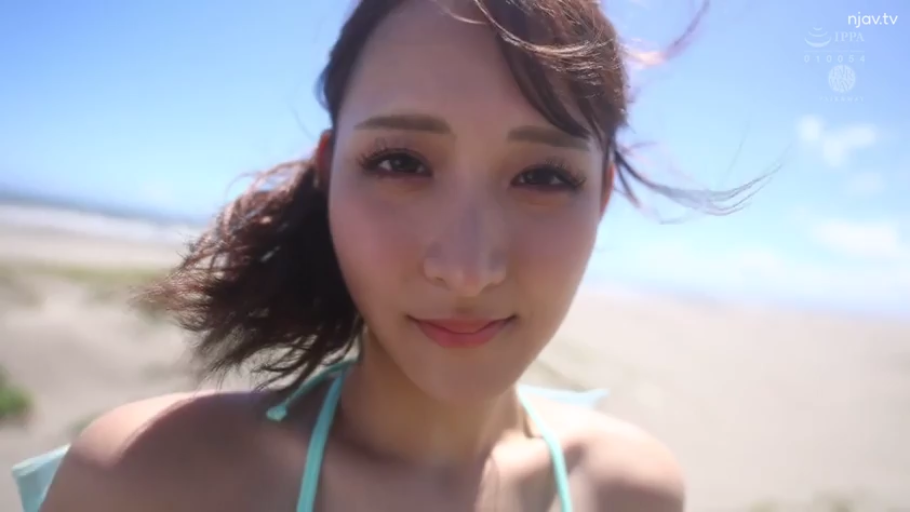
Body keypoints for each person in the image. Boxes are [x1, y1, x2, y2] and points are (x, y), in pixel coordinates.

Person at [14, 0, 755, 510]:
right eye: (401, 163)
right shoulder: (148, 482)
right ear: (329, 175)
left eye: (542, 176)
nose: (466, 269)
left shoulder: (631, 491)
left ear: (600, 198)